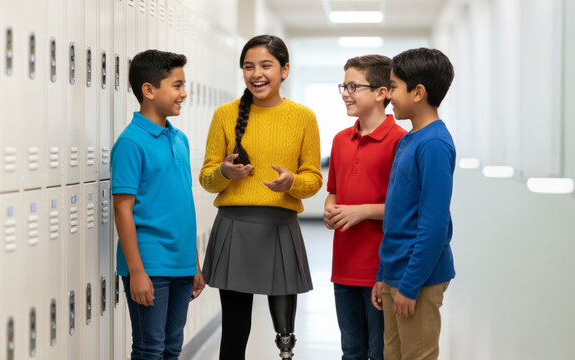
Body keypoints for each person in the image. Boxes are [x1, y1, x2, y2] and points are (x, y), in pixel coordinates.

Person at [199, 34, 322, 360]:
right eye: (248, 66)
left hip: (280, 228)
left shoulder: (303, 117)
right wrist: (225, 172)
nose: (257, 73)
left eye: (266, 65)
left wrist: (291, 182)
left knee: (285, 334)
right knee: (235, 330)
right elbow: (207, 179)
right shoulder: (225, 115)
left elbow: (313, 179)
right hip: (235, 228)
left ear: (284, 70)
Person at [111, 49, 205, 360]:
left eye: (183, 85)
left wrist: (194, 264)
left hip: (181, 263)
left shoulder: (179, 139)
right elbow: (122, 210)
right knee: (150, 348)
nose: (184, 93)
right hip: (149, 265)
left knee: (172, 347)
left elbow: (183, 207)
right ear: (149, 90)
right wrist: (136, 271)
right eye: (176, 86)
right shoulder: (131, 142)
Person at [371, 48, 456, 360]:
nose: (388, 95)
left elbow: (433, 226)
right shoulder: (410, 139)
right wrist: (383, 274)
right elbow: (396, 217)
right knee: (392, 354)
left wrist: (409, 285)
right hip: (396, 271)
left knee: (416, 355)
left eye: (393, 87)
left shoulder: (433, 144)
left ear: (418, 92)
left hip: (418, 278)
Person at [324, 54, 406, 360]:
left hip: (380, 269)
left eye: (354, 86)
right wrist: (331, 208)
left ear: (381, 93)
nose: (346, 93)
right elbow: (333, 191)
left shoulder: (401, 141)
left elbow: (404, 210)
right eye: (343, 86)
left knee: (380, 352)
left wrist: (361, 211)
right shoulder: (340, 140)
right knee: (351, 351)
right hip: (343, 266)